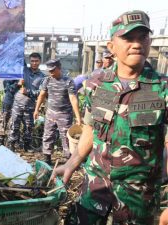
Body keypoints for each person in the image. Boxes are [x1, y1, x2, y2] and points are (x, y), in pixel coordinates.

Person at [51, 10, 165, 224]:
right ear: (111, 46)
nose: (137, 44)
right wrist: (72, 163)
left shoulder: (163, 88)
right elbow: (91, 127)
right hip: (95, 186)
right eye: (128, 38)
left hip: (138, 196)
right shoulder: (98, 82)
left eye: (143, 37)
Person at [33, 58, 81, 164]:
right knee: (48, 135)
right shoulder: (47, 80)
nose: (51, 73)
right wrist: (36, 110)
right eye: (49, 71)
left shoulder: (68, 81)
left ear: (59, 68)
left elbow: (73, 98)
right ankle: (47, 157)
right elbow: (41, 95)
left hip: (64, 114)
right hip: (50, 112)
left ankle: (68, 159)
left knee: (66, 137)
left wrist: (78, 117)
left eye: (53, 70)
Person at [7, 52, 45, 152]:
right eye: (32, 61)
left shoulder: (43, 77)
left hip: (30, 105)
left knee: (29, 127)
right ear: (29, 62)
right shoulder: (23, 70)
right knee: (14, 125)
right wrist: (19, 84)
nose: (34, 63)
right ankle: (12, 145)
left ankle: (26, 146)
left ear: (40, 62)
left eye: (36, 61)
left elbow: (41, 93)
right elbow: (18, 59)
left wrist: (28, 92)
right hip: (18, 103)